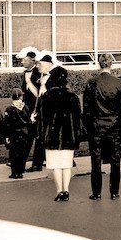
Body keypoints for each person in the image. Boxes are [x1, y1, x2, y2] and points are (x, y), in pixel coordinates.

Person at [83, 53, 121, 200]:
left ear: (100, 64)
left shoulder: (92, 83)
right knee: (115, 160)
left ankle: (97, 193)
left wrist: (89, 124)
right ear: (111, 65)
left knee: (96, 160)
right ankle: (114, 192)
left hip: (97, 125)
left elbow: (86, 108)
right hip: (114, 125)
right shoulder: (118, 83)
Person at [38, 66, 82, 202]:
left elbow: (42, 118)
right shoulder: (73, 97)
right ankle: (66, 189)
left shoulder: (46, 97)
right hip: (69, 135)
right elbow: (77, 118)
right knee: (66, 164)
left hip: (52, 135)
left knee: (56, 165)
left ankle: (59, 191)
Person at [29, 51, 57, 172]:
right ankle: (38, 163)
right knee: (41, 137)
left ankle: (38, 164)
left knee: (44, 137)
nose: (37, 66)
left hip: (50, 115)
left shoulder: (52, 79)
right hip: (42, 113)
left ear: (47, 64)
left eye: (40, 64)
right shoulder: (42, 78)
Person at [1, 88, 32, 180]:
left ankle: (15, 172)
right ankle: (21, 171)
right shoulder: (25, 107)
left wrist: (6, 136)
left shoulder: (10, 109)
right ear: (21, 97)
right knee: (22, 153)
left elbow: (6, 124)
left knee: (14, 154)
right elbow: (28, 121)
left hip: (14, 134)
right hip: (24, 133)